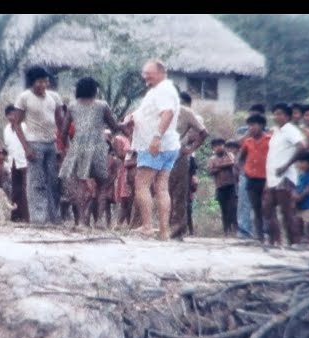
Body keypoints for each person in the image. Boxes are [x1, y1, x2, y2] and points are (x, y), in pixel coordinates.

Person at [122, 59, 181, 240]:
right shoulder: (159, 90)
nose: (145, 76)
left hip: (156, 145)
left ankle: (147, 226)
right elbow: (149, 112)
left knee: (142, 185)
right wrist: (132, 116)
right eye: (144, 73)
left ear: (161, 72)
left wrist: (156, 136)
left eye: (149, 72)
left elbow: (167, 113)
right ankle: (164, 231)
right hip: (167, 145)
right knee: (161, 187)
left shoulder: (163, 90)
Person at [59, 77, 123, 227]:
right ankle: (100, 220)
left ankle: (81, 221)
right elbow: (113, 126)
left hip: (79, 146)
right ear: (95, 90)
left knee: (81, 184)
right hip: (98, 145)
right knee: (102, 184)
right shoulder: (102, 105)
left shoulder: (72, 106)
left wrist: (67, 149)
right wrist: (123, 126)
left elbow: (63, 131)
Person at [13, 66, 64, 225]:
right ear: (32, 82)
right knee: (36, 182)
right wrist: (26, 147)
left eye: (45, 81)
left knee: (54, 182)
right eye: (40, 81)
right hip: (34, 143)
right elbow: (17, 124)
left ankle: (54, 217)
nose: (43, 84)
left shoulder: (54, 97)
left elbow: (61, 121)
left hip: (52, 143)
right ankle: (38, 219)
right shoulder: (24, 98)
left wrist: (64, 145)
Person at [263, 103, 305, 246]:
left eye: (280, 113)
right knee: (268, 208)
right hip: (272, 176)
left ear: (287, 116)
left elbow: (301, 147)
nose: (277, 116)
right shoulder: (276, 131)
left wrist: (286, 165)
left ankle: (294, 242)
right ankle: (276, 241)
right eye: (275, 113)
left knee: (287, 211)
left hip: (285, 176)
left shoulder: (290, 130)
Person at [169, 91, 208, 239]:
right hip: (166, 156)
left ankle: (178, 229)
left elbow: (203, 133)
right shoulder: (167, 112)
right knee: (166, 192)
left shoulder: (189, 114)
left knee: (180, 194)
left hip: (181, 156)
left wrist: (189, 149)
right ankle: (168, 227)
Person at [238, 114, 271, 242]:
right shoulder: (248, 141)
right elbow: (240, 158)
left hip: (266, 178)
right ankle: (259, 235)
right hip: (251, 178)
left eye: (254, 125)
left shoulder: (269, 139)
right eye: (249, 126)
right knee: (256, 207)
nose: (251, 128)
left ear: (262, 125)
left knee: (266, 207)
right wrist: (243, 170)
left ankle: (269, 233)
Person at [3, 104, 29, 222]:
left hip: (24, 161)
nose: (11, 117)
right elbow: (9, 146)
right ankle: (15, 216)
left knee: (25, 188)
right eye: (9, 114)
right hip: (12, 161)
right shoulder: (7, 129)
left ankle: (26, 216)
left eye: (13, 114)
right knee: (15, 189)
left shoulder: (24, 126)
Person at [207, 138, 237, 236]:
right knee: (224, 209)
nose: (219, 147)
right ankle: (226, 231)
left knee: (233, 208)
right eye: (216, 146)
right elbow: (210, 171)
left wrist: (218, 167)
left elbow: (232, 163)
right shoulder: (212, 159)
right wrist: (224, 166)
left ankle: (235, 230)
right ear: (213, 148)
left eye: (220, 145)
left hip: (231, 185)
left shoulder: (229, 155)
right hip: (220, 187)